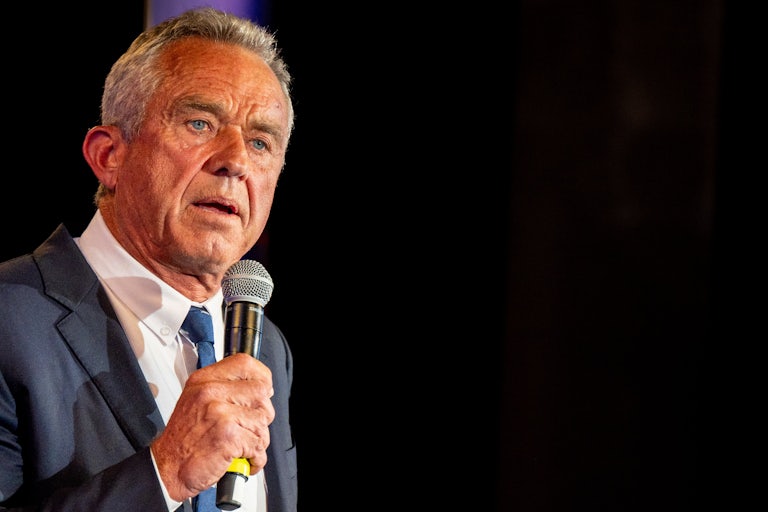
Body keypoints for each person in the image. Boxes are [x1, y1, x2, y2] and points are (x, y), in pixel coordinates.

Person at [0, 7, 297, 512]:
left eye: (260, 142)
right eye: (200, 123)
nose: (236, 160)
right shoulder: (10, 319)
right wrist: (166, 472)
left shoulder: (266, 347)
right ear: (109, 156)